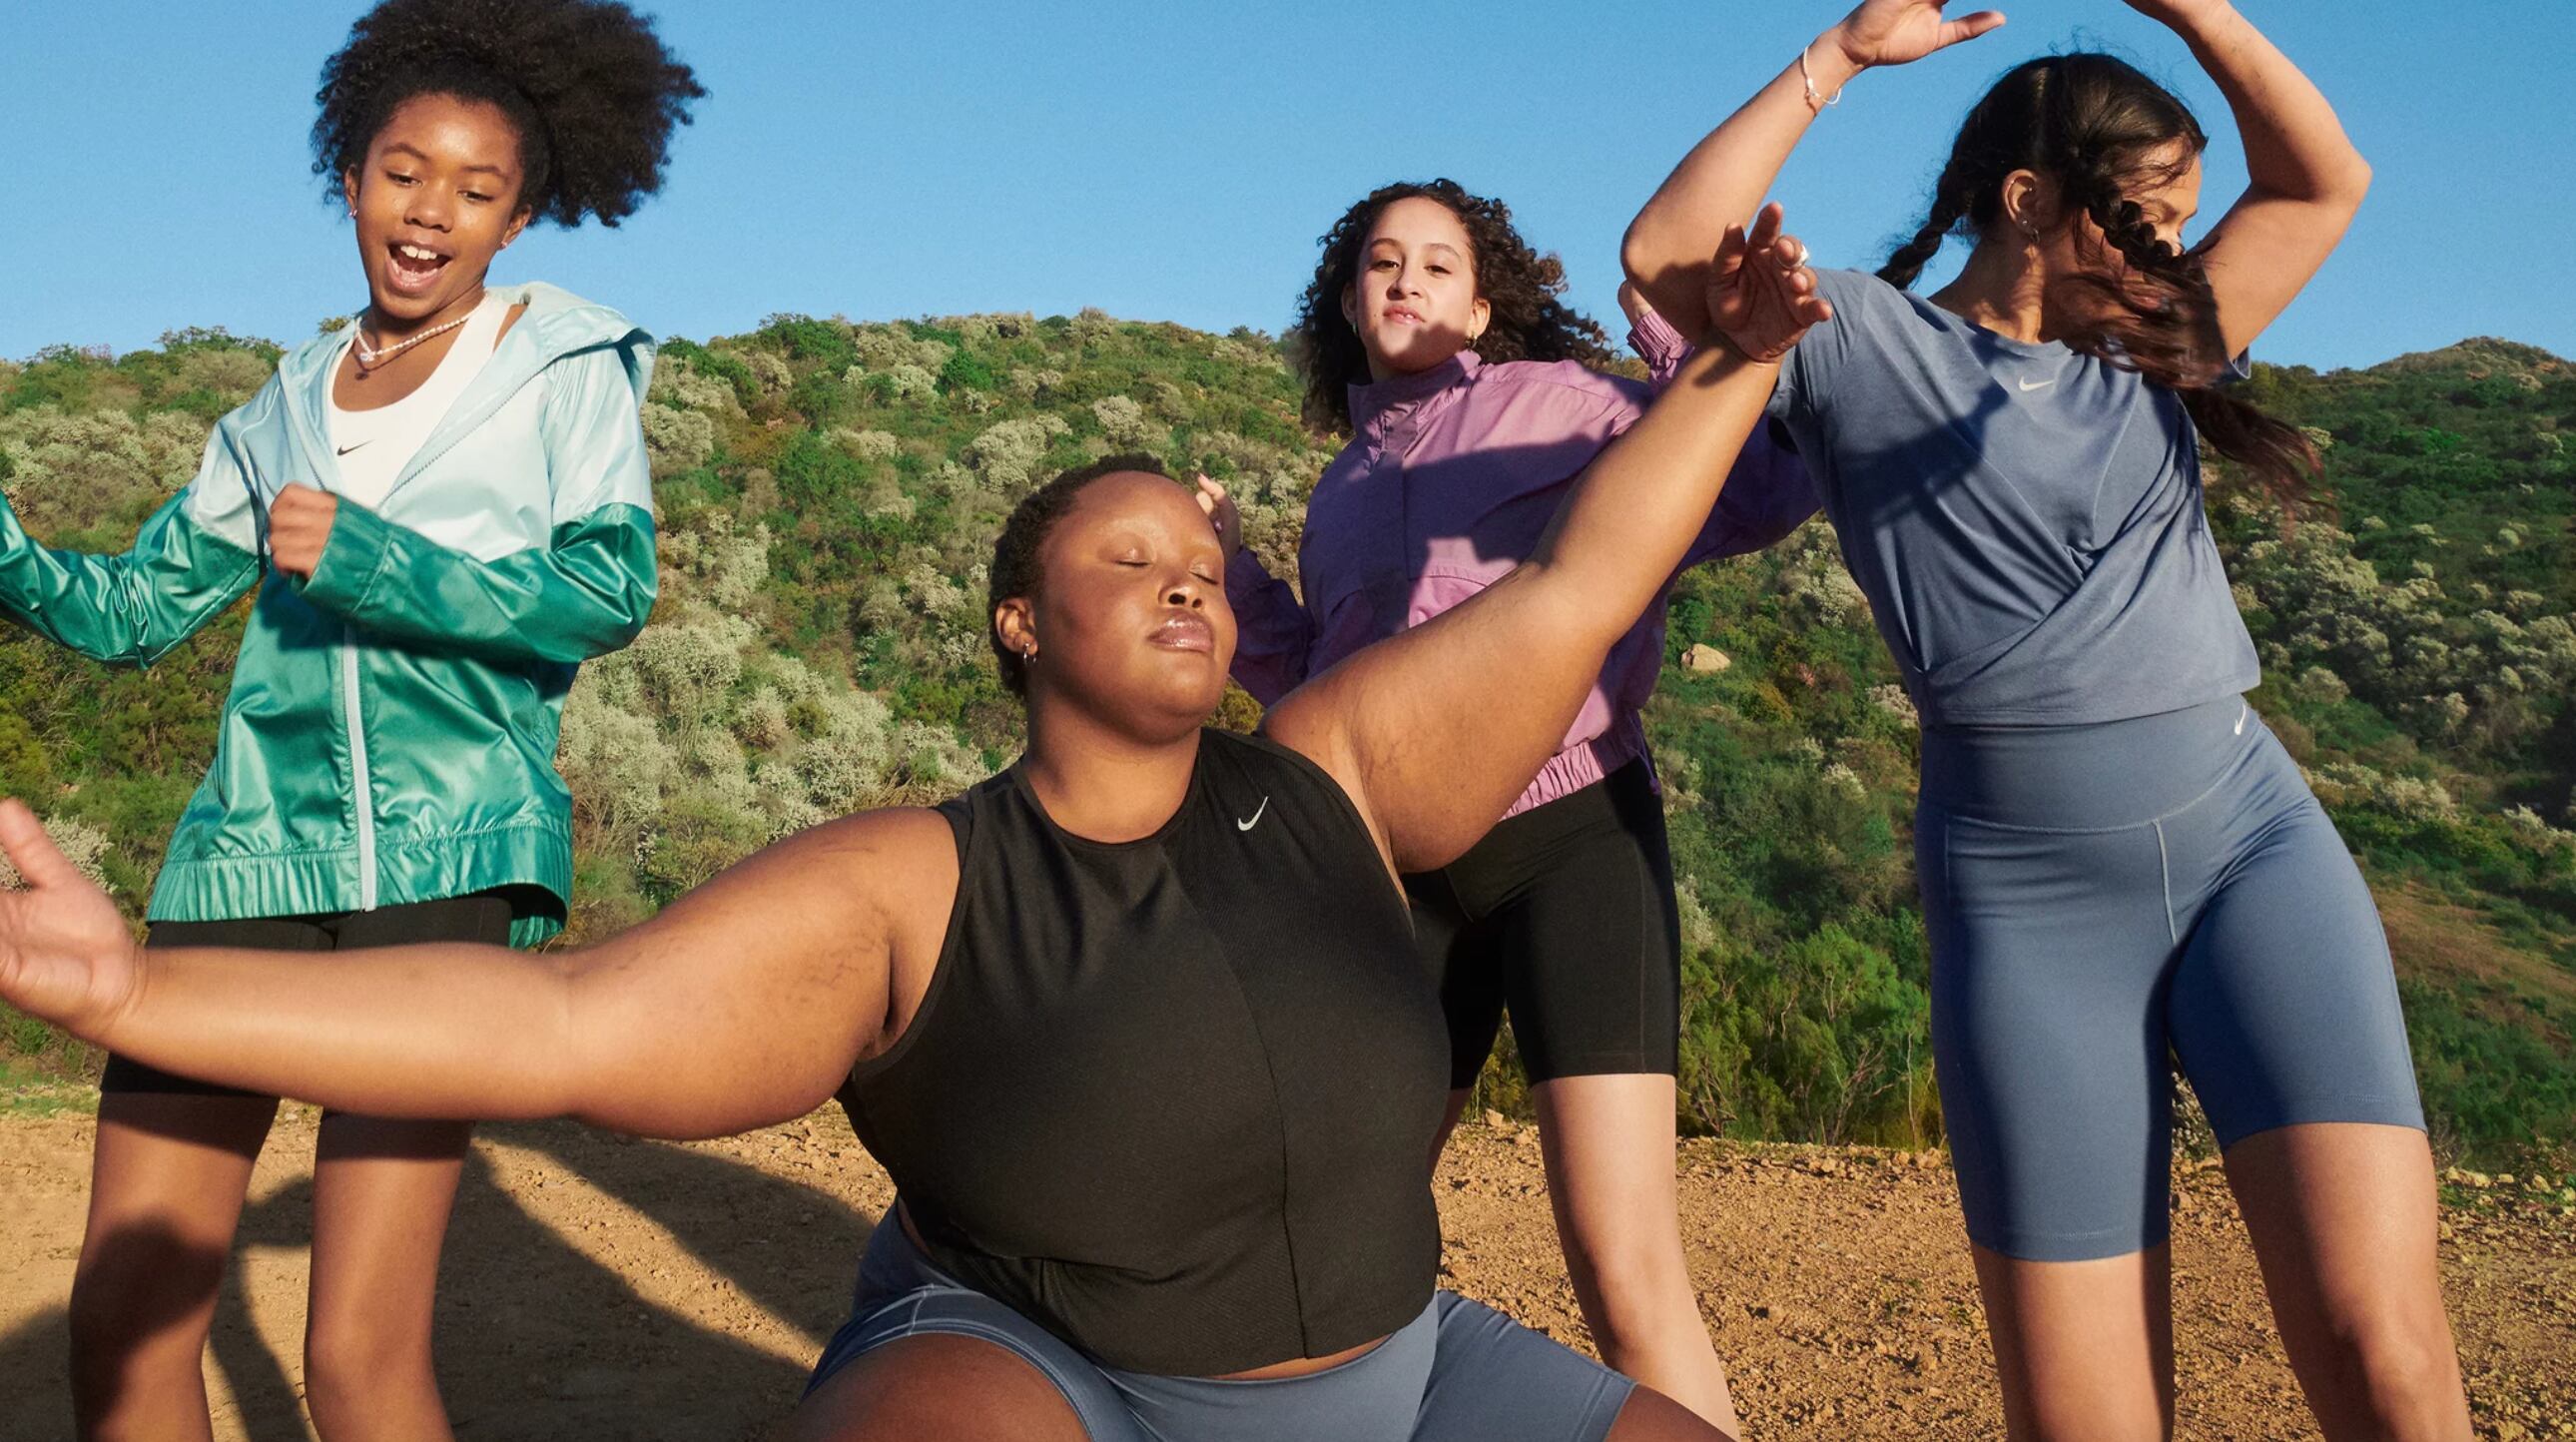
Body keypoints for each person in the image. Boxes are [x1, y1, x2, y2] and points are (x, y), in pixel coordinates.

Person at [1, 215, 1826, 1441]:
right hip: (1046, 1372)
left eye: (1202, 566)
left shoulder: (1338, 766)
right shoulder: (917, 878)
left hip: (1410, 1377)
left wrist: (1729, 363)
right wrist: (133, 985)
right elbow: (552, 1023)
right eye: (1130, 564)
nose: (1190, 589)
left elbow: (1588, 576)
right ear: (1022, 622)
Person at [1620, 2, 2473, 1438]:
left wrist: (2191, 10)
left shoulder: (2160, 333)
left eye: (2183, 223)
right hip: (2026, 897)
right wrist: (1838, 62)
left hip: (2250, 842)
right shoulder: (1856, 340)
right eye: (2145, 217)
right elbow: (1659, 254)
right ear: (2030, 203)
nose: (2169, 255)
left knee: (2385, 1350)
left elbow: (2327, 179)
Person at [0, 1, 701, 1435]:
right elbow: (135, 613)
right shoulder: (271, 415)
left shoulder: (567, 367)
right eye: (402, 169)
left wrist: (380, 558)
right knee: (126, 1331)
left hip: (442, 868)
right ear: (352, 176)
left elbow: (605, 590)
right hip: (243, 865)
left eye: (475, 187)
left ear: (520, 216)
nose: (429, 208)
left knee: (357, 1357)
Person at [1205, 180, 1816, 1431]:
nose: (1408, 281)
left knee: (1621, 1262)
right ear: (1346, 298)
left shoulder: (1561, 404)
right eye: (1383, 261)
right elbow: (1324, 687)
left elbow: (1749, 488)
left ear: (1484, 301)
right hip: (1397, 873)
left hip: (1571, 836)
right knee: (1335, 1227)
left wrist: (1679, 341)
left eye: (1439, 263)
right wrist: (1233, 582)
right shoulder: (1339, 489)